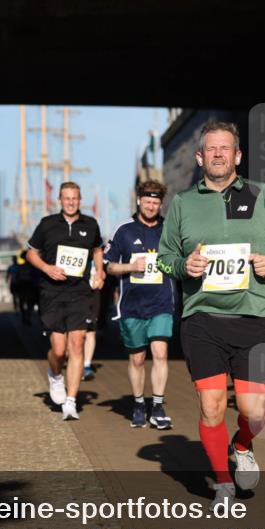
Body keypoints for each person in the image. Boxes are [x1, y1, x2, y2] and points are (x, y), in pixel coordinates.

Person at [158, 121, 265, 513]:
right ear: (200, 157)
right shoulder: (183, 203)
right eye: (211, 149)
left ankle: (243, 445)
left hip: (253, 315)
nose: (218, 154)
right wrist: (184, 265)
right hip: (203, 317)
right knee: (211, 406)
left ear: (238, 155)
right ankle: (222, 483)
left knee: (254, 412)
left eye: (225, 148)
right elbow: (165, 257)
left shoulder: (259, 194)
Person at [26, 182, 105, 420]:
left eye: (75, 198)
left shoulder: (90, 224)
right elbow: (31, 253)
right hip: (52, 293)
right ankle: (55, 374)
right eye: (67, 198)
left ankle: (71, 401)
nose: (71, 202)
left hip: (79, 292)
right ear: (59, 200)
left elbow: (98, 249)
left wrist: (100, 272)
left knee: (77, 344)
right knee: (59, 351)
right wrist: (46, 268)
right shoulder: (47, 224)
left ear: (80, 200)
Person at [105, 180, 176, 430]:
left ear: (161, 204)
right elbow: (109, 266)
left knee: (160, 353)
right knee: (137, 359)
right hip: (132, 306)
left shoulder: (169, 230)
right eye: (147, 201)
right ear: (138, 201)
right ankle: (138, 404)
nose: (151, 206)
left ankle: (157, 406)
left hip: (161, 303)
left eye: (155, 202)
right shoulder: (123, 230)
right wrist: (131, 266)